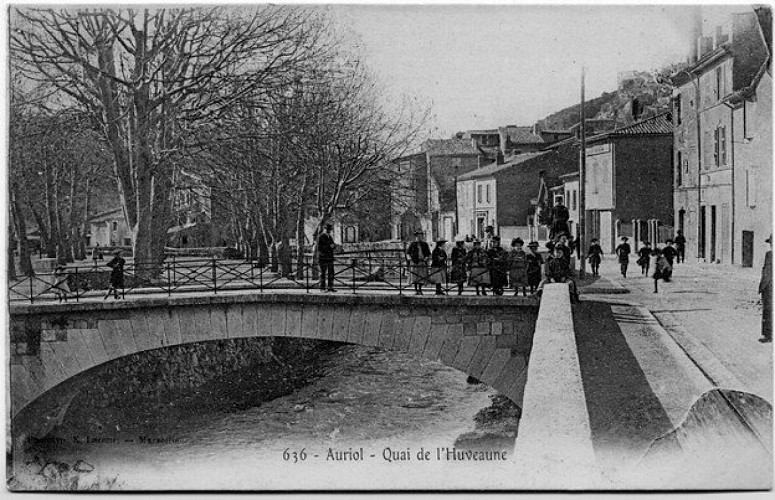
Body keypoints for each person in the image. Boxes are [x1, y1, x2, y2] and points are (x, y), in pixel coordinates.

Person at [406, 230, 431, 295]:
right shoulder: (412, 244)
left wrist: (426, 258)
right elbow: (408, 253)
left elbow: (428, 253)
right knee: (415, 277)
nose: (419, 238)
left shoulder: (425, 244)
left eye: (420, 236)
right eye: (418, 236)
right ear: (416, 237)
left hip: (422, 262)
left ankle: (420, 289)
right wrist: (410, 259)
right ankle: (416, 290)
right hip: (414, 262)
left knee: (421, 277)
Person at [759, 235, 772, 343]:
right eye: (771, 243)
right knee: (767, 311)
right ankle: (768, 335)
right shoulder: (768, 255)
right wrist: (762, 287)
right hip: (768, 288)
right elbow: (765, 271)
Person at [317, 223, 337, 292]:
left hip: (330, 257)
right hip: (323, 258)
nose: (328, 231)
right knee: (323, 273)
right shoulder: (321, 236)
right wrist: (329, 246)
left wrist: (334, 246)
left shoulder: (330, 237)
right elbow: (319, 248)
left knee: (331, 273)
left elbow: (332, 245)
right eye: (327, 229)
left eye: (329, 230)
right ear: (324, 229)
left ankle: (330, 287)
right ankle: (322, 288)